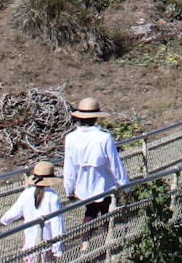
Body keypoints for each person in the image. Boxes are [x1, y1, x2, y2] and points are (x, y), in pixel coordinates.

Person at [63, 97, 129, 255]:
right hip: (103, 182)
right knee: (106, 212)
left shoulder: (71, 138)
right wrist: (125, 186)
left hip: (83, 184)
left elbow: (69, 167)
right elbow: (115, 164)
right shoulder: (104, 137)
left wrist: (69, 188)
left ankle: (85, 243)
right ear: (96, 117)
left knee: (90, 211)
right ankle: (109, 241)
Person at [0, 160, 64, 262]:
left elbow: (15, 211)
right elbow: (57, 223)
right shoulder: (53, 197)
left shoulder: (27, 193)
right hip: (46, 244)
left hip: (30, 245)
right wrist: (58, 248)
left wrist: (5, 220)